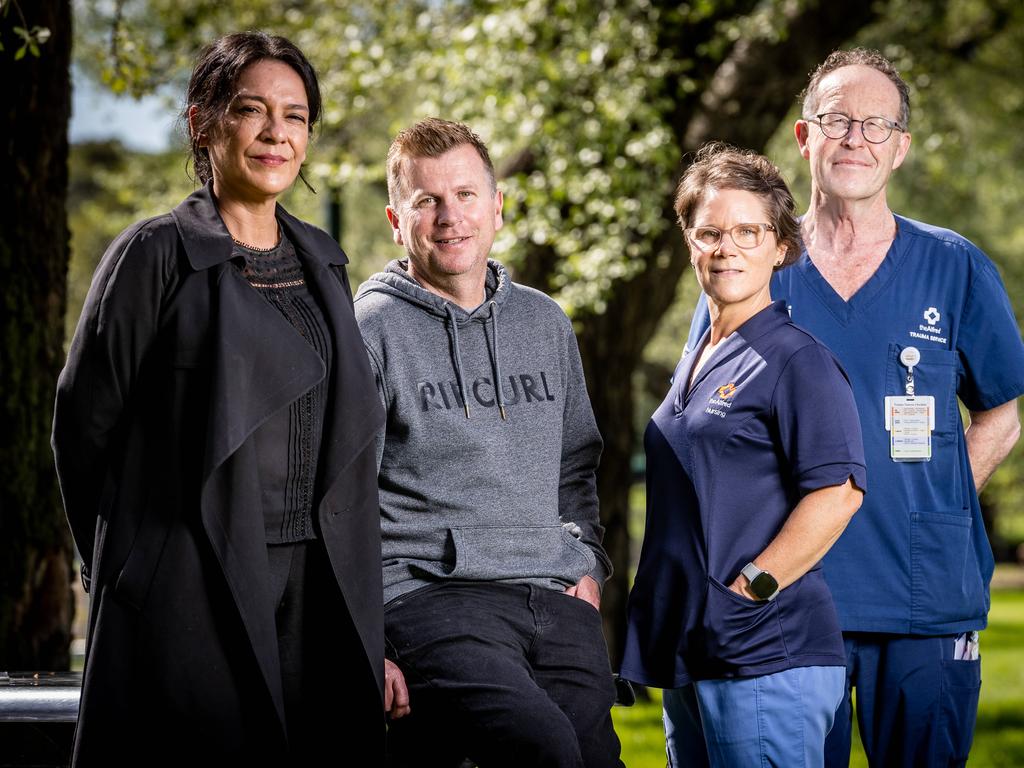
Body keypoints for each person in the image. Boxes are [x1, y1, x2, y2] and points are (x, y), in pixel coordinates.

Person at [52, 32, 392, 765]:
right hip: (189, 583)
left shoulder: (325, 261)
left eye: (296, 116)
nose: (277, 133)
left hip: (319, 587)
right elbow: (82, 431)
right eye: (252, 109)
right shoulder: (153, 255)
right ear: (202, 122)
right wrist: (127, 565)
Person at [684, 49, 1024, 767]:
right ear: (805, 138)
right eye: (837, 120)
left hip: (924, 597)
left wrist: (942, 492)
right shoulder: (753, 265)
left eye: (877, 125)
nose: (856, 139)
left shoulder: (954, 266)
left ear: (899, 148)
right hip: (791, 600)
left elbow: (1004, 407)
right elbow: (703, 426)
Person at [353, 117, 623, 768]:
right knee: (544, 750)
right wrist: (364, 640)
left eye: (466, 195)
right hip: (429, 597)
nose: (450, 217)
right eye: (427, 201)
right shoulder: (370, 330)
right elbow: (338, 504)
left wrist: (585, 564)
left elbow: (575, 463)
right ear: (397, 219)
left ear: (497, 208)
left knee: (594, 758)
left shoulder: (545, 322)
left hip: (552, 595)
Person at [621, 143, 866, 767]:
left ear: (781, 245)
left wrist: (748, 591)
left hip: (764, 651)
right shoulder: (698, 354)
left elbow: (839, 492)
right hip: (695, 647)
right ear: (690, 241)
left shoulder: (795, 360)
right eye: (709, 233)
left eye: (748, 231)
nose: (725, 247)